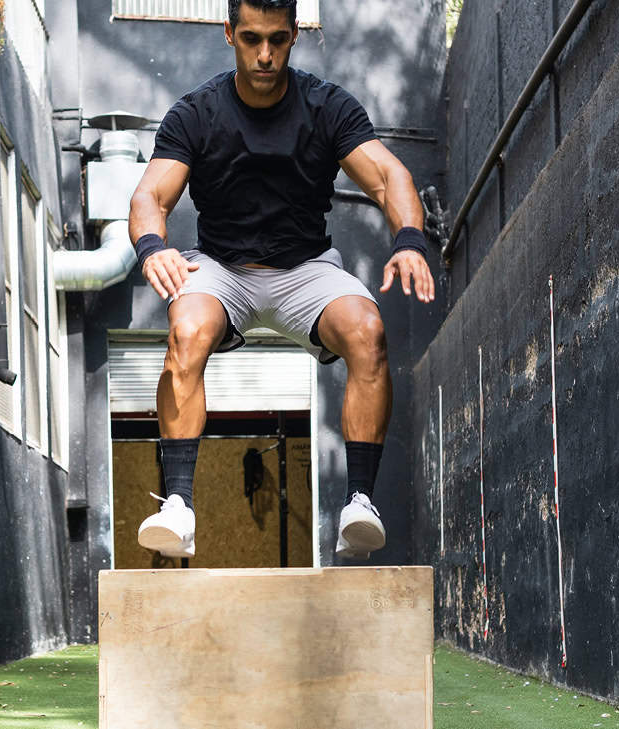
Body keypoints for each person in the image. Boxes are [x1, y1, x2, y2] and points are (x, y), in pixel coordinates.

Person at [128, 0, 435, 561]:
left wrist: (410, 239)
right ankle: (177, 507)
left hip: (306, 270)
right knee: (186, 331)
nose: (264, 54)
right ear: (228, 34)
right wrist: (152, 246)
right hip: (222, 269)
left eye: (277, 39)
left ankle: (359, 505)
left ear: (295, 35)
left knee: (368, 332)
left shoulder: (326, 106)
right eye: (251, 39)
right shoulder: (196, 113)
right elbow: (150, 194)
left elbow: (389, 176)